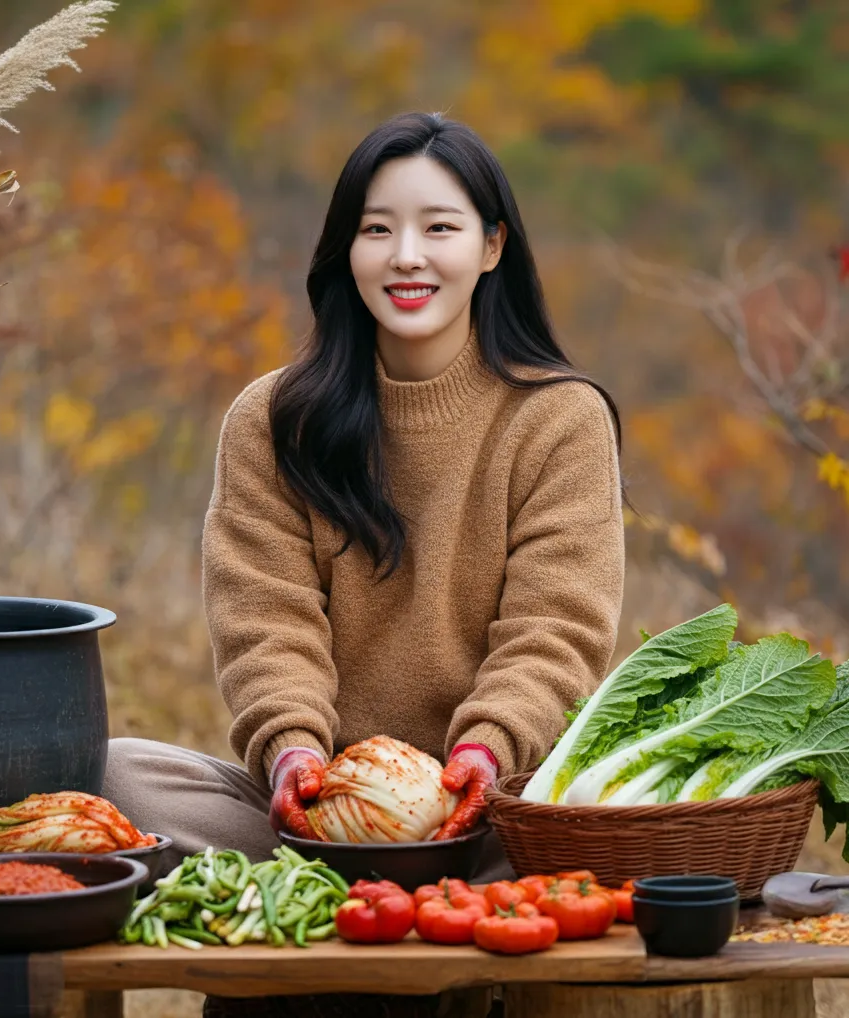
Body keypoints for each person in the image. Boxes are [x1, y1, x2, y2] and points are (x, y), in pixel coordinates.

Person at [102, 111, 625, 1016]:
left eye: (439, 228)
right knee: (112, 771)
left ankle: (388, 920)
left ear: (492, 246)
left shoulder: (557, 419)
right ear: (345, 250)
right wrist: (295, 754)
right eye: (376, 229)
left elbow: (556, 629)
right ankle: (378, 908)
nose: (405, 257)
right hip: (314, 819)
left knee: (618, 830)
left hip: (489, 813)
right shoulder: (274, 419)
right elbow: (266, 625)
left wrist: (484, 750)